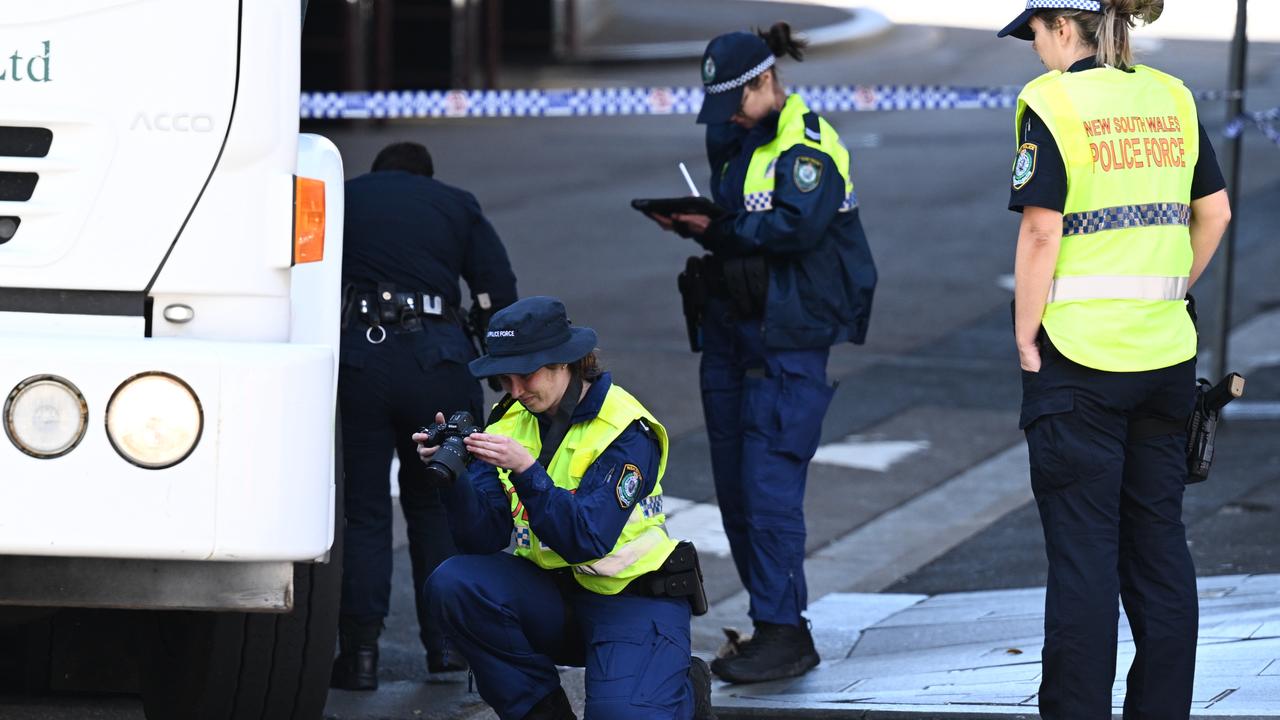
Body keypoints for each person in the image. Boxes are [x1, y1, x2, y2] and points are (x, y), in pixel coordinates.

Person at [998, 1, 1232, 716]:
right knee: (1159, 550)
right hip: (1163, 360)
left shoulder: (1052, 100)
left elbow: (1042, 231)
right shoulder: (1171, 94)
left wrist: (1025, 333)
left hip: (1079, 365)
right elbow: (1215, 212)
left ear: (1063, 26)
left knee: (1083, 559)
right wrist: (1164, 293)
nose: (1034, 51)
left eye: (1035, 34)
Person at [644, 23, 876, 684]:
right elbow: (743, 228)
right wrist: (702, 227)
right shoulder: (737, 137)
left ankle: (784, 632)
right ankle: (773, 623)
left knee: (770, 487)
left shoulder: (808, 145)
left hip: (788, 337)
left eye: (734, 103)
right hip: (734, 327)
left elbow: (795, 228)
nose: (727, 119)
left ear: (764, 81)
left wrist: (718, 228)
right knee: (737, 490)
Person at [418, 296, 715, 720]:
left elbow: (587, 538)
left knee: (624, 714)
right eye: (505, 380)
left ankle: (683, 688)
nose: (516, 392)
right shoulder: (509, 422)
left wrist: (525, 470)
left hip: (631, 598)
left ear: (565, 362)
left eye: (526, 375)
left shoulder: (626, 429)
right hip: (553, 596)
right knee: (456, 583)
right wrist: (454, 477)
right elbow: (480, 538)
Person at [332, 141, 518, 690]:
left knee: (364, 509)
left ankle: (360, 654)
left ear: (380, 172)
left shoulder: (346, 199)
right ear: (426, 177)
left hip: (361, 357)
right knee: (435, 503)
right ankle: (447, 649)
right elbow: (496, 292)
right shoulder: (456, 204)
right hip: (435, 359)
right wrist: (500, 370)